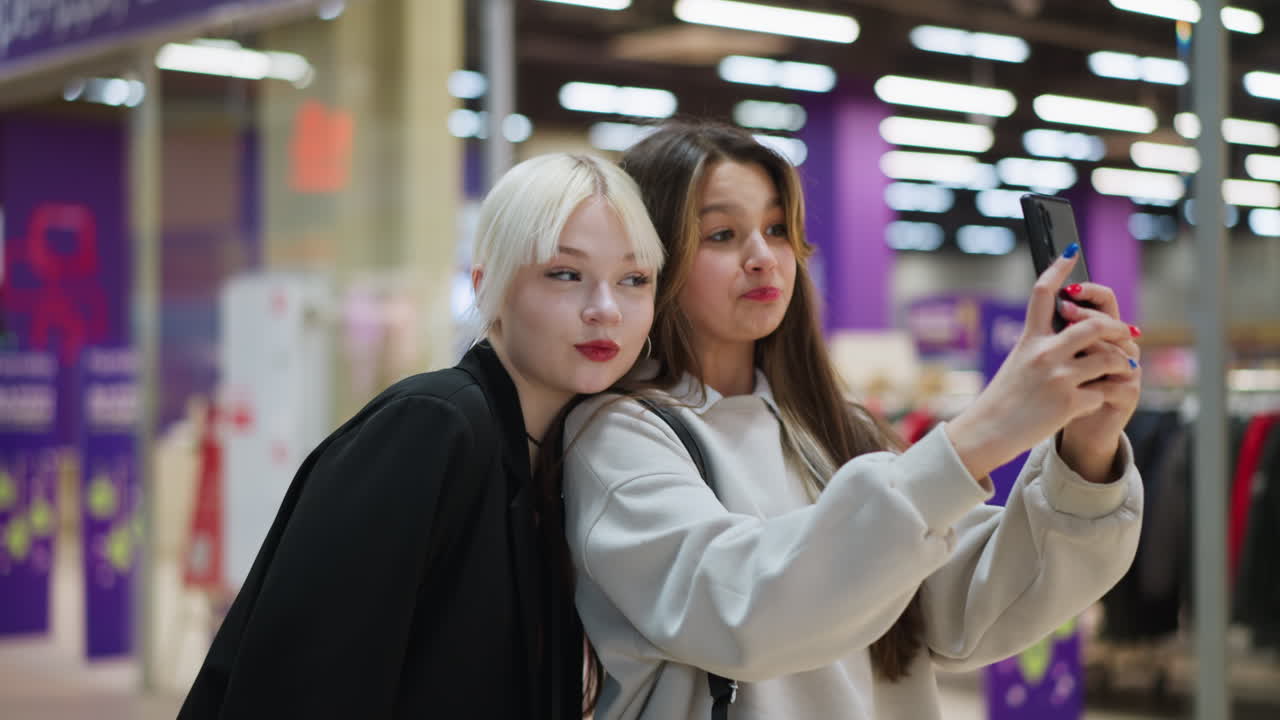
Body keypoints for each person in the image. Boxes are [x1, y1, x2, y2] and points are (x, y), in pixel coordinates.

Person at [561, 120, 1145, 720]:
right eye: (722, 234)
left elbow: (967, 608)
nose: (763, 257)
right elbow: (746, 611)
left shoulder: (832, 428)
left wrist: (1087, 447)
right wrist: (987, 429)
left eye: (776, 229)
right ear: (650, 259)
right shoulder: (617, 437)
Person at [178, 152, 663, 719]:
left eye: (634, 279)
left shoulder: (558, 455)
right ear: (488, 288)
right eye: (565, 274)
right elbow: (303, 680)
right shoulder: (434, 427)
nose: (605, 310)